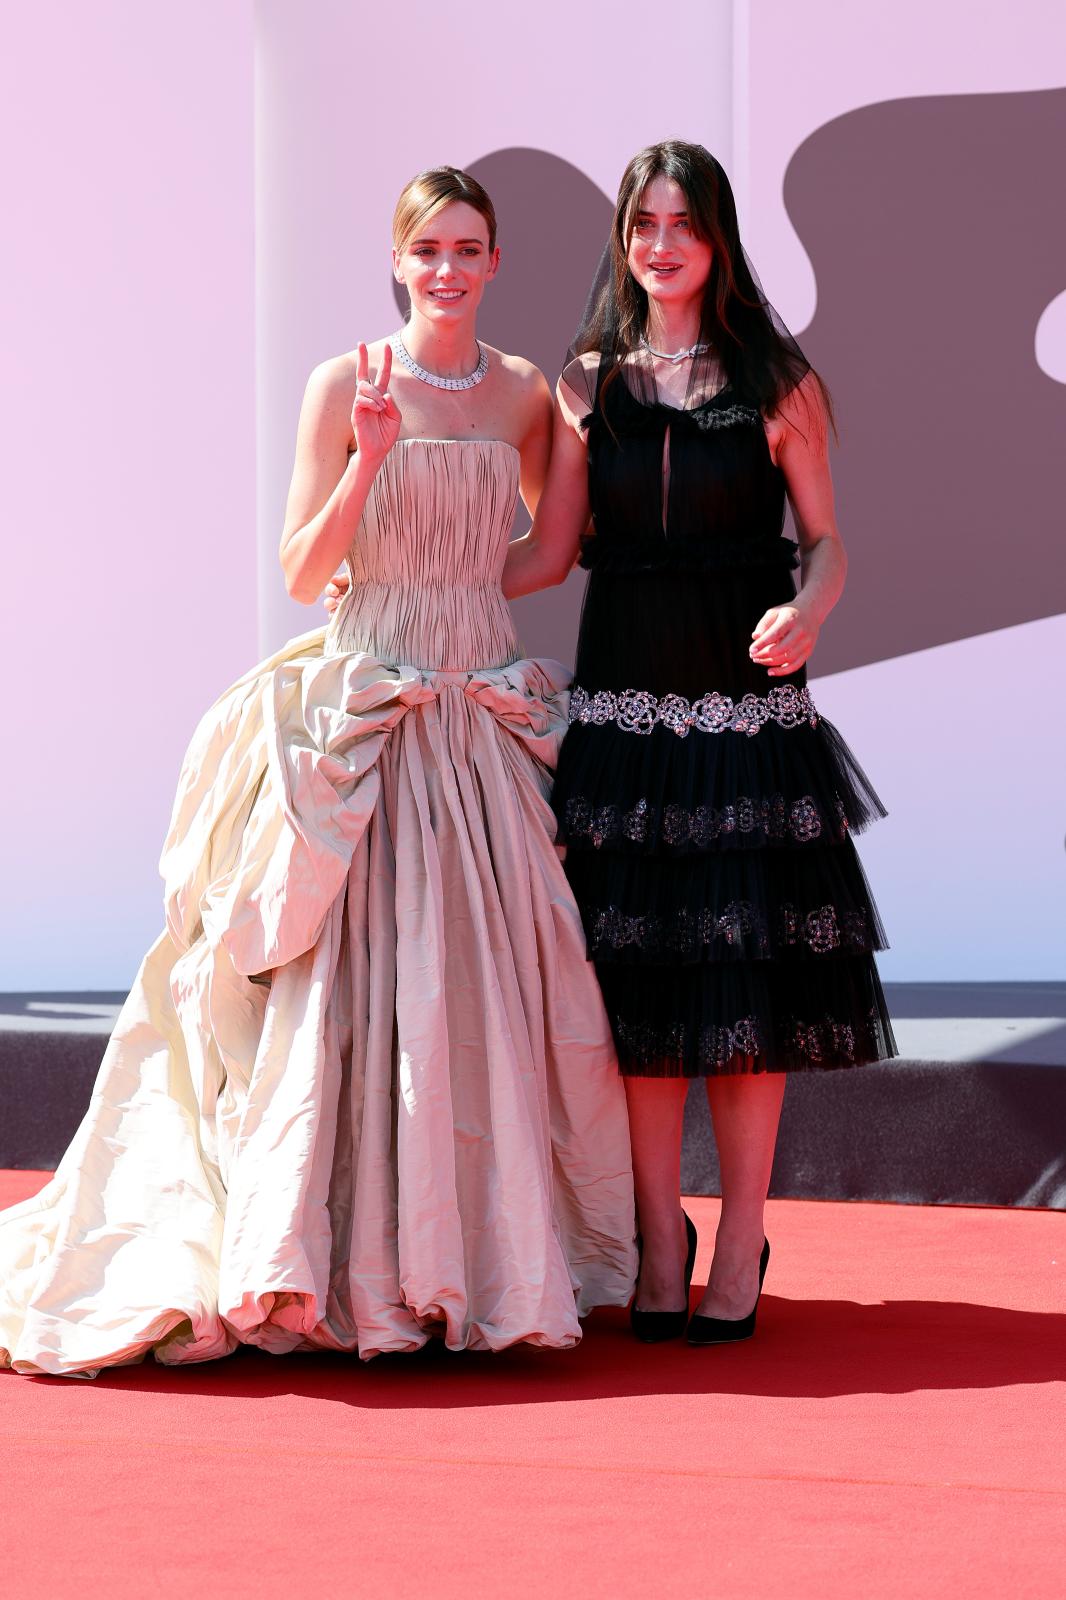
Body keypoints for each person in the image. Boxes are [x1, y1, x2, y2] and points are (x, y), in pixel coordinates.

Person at [0, 166, 637, 1378]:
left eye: (468, 249)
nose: (447, 269)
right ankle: (326, 1265)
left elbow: (548, 557)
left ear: (496, 262)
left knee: (483, 991)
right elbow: (302, 569)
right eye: (427, 249)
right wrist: (369, 465)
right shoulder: (345, 384)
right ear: (397, 261)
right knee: (334, 989)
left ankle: (478, 1266)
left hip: (473, 709)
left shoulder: (523, 392)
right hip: (365, 703)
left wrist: (530, 487)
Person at [502, 140, 897, 1344]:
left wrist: (810, 607)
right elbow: (548, 553)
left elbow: (826, 541)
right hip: (622, 734)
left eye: (683, 223)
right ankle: (655, 1238)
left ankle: (738, 1244)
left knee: (744, 997)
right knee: (638, 998)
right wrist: (402, 575)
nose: (660, 244)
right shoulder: (584, 385)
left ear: (718, 238)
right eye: (643, 224)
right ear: (622, 240)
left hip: (745, 730)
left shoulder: (779, 379)